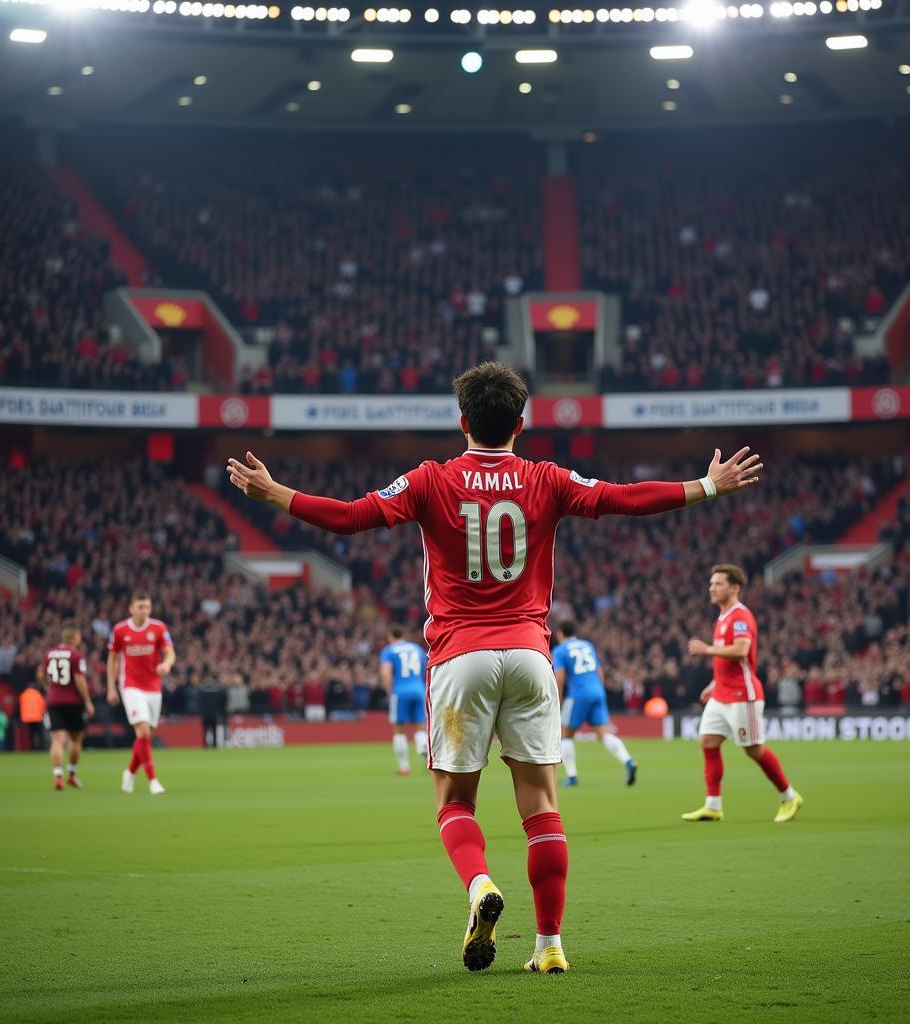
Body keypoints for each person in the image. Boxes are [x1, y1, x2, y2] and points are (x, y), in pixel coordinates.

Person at [227, 360, 762, 975]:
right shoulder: (546, 478)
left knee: (455, 803)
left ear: (462, 422)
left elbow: (351, 517)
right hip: (532, 656)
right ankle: (550, 946)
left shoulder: (431, 479)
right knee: (541, 804)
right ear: (522, 422)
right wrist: (707, 485)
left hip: (459, 657)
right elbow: (622, 500)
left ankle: (479, 884)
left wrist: (274, 493)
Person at [683, 564, 803, 824]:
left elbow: (740, 650)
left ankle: (789, 796)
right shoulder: (723, 616)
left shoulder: (740, 616)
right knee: (708, 742)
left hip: (742, 695)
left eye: (718, 584)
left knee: (754, 749)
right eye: (711, 583)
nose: (711, 588)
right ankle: (713, 806)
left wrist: (706, 650)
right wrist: (714, 683)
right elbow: (730, 660)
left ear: (734, 588)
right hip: (722, 693)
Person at [106, 591, 175, 795]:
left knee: (146, 737)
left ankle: (129, 771)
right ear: (131, 608)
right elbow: (112, 659)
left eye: (147, 607)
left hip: (154, 687)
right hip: (131, 686)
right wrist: (111, 687)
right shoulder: (120, 630)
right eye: (140, 607)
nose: (144, 611)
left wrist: (167, 664)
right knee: (143, 731)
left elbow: (170, 652)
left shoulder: (159, 627)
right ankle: (153, 781)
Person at [552, 621, 636, 787]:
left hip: (578, 694)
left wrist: (558, 700)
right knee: (603, 733)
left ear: (560, 634)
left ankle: (572, 776)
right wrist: (599, 690)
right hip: (597, 690)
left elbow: (560, 676)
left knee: (566, 734)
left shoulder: (560, 650)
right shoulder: (587, 645)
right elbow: (599, 670)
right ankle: (628, 760)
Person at [38, 620, 95, 790]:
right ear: (75, 637)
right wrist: (88, 701)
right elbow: (79, 679)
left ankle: (57, 776)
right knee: (76, 740)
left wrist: (50, 688)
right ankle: (71, 774)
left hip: (54, 701)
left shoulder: (48, 654)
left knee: (57, 740)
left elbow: (41, 674)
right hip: (74, 702)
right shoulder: (76, 655)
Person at [379, 624, 428, 775]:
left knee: (399, 729)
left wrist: (388, 690)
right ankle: (425, 754)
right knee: (420, 726)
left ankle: (404, 766)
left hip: (400, 691)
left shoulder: (388, 651)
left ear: (390, 636)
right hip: (419, 689)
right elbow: (427, 668)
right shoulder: (416, 649)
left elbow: (386, 672)